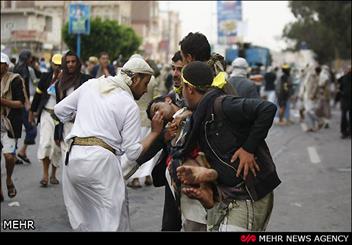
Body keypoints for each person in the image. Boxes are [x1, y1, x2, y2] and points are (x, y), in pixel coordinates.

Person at [54, 56, 164, 231]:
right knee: (113, 223)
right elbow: (133, 152)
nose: (145, 91)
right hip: (101, 164)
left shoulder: (91, 84)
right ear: (134, 79)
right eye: (145, 84)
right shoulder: (129, 104)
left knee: (83, 220)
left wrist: (85, 118)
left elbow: (59, 110)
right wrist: (155, 132)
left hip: (73, 159)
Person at [176, 61, 280, 231]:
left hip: (249, 196)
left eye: (182, 87)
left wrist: (248, 148)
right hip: (228, 197)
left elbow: (267, 109)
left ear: (189, 88)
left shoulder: (222, 104)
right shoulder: (200, 114)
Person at [125, 58, 161, 188]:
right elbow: (157, 100)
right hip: (147, 119)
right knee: (147, 148)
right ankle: (146, 175)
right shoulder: (153, 81)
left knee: (135, 148)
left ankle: (134, 178)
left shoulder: (129, 82)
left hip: (133, 120)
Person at [30, 54, 63, 187]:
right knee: (45, 144)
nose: (58, 67)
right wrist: (31, 113)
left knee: (56, 147)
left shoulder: (68, 80)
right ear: (52, 64)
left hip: (60, 118)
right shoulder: (45, 77)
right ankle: (44, 175)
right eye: (56, 65)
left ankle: (53, 174)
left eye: (61, 65)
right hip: (46, 114)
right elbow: (38, 96)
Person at [54, 51, 92, 163]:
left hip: (84, 127)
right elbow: (58, 110)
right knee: (67, 159)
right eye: (68, 62)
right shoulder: (59, 84)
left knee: (82, 160)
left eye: (73, 61)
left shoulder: (88, 80)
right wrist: (56, 133)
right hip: (66, 127)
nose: (70, 64)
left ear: (78, 63)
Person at [179, 32, 238, 96]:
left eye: (182, 59)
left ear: (189, 58)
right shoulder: (221, 81)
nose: (182, 64)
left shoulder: (201, 88)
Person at [1, 53, 26, 202]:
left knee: (9, 156)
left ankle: (9, 179)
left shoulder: (14, 80)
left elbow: (20, 103)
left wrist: (2, 101)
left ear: (6, 65)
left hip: (8, 124)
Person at [13, 50, 37, 164]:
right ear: (27, 58)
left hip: (13, 104)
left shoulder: (15, 67)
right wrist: (28, 103)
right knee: (32, 128)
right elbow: (23, 87)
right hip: (22, 104)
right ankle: (22, 151)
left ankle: (13, 154)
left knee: (15, 130)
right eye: (30, 57)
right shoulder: (24, 69)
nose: (31, 60)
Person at [336, 67, 351, 139]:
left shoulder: (342, 78)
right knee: (346, 116)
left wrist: (337, 98)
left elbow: (339, 89)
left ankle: (344, 132)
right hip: (346, 99)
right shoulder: (342, 78)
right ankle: (348, 132)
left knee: (344, 116)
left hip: (344, 99)